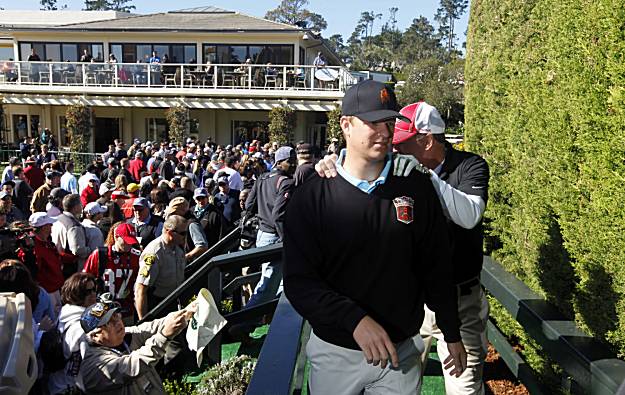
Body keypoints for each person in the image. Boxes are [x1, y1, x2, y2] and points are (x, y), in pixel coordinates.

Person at [283, 80, 466, 394]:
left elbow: (436, 268)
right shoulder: (311, 196)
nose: (384, 131)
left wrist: (452, 333)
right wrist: (353, 320)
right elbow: (300, 282)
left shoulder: (416, 189)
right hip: (336, 355)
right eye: (373, 122)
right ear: (346, 125)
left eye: (390, 122)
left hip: (400, 355)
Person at [76, 298, 196, 394]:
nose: (117, 321)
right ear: (96, 336)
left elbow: (154, 326)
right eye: (109, 322)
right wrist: (164, 336)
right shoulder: (94, 367)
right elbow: (133, 365)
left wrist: (186, 313)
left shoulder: (126, 335)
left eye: (116, 316)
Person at [243, 146, 296, 308]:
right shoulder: (286, 182)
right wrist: (284, 239)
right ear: (279, 162)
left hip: (262, 233)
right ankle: (244, 322)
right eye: (290, 161)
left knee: (275, 279)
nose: (293, 165)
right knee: (267, 286)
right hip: (275, 236)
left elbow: (248, 204)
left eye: (294, 161)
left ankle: (268, 315)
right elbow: (278, 215)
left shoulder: (263, 178)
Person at [48, 272, 98, 395]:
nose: (93, 294)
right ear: (76, 295)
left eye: (94, 290)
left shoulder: (65, 314)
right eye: (87, 292)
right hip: (69, 388)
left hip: (56, 383)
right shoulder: (80, 328)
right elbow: (91, 366)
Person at [83, 223, 141, 323]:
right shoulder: (100, 254)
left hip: (126, 310)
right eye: (126, 241)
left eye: (131, 242)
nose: (129, 245)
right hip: (102, 309)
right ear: (116, 237)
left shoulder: (136, 256)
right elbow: (85, 279)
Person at [134, 214, 187, 320]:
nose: (186, 236)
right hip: (157, 306)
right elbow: (141, 290)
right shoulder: (154, 252)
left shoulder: (177, 248)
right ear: (170, 232)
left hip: (172, 303)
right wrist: (144, 322)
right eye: (183, 233)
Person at [52, 194, 91, 276]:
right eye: (80, 204)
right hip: (71, 268)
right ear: (76, 207)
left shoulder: (59, 218)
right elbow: (78, 250)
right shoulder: (73, 226)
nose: (82, 206)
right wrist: (90, 249)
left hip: (59, 263)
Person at [163, 197, 208, 262]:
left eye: (174, 212)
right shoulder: (180, 222)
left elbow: (202, 246)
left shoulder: (192, 224)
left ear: (182, 211)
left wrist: (186, 257)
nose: (171, 215)